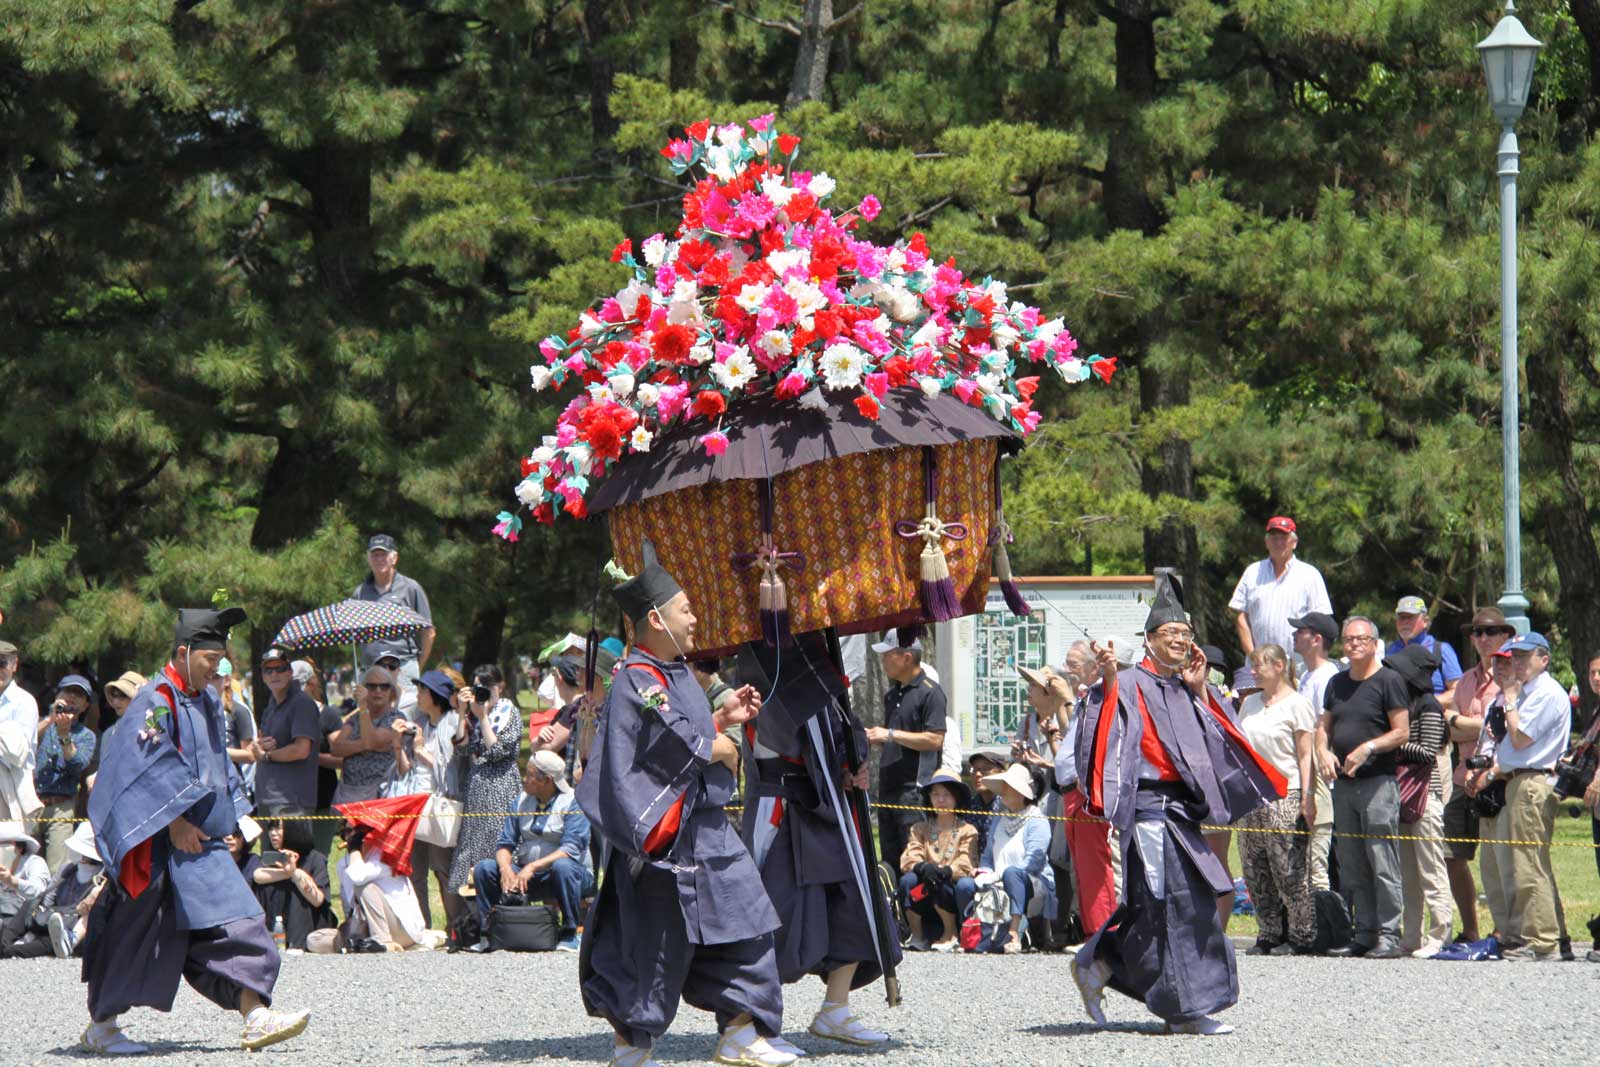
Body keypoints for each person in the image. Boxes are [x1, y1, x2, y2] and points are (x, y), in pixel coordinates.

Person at [578, 542, 792, 1067]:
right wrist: (713, 743)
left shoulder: (674, 672)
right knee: (652, 943)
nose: (695, 618)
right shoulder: (636, 678)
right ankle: (632, 1040)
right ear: (655, 618)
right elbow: (670, 741)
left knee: (746, 922)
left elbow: (687, 732)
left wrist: (723, 719)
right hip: (665, 832)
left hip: (708, 830)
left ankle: (741, 1030)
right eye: (686, 609)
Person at [80, 606, 309, 1054]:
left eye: (222, 660)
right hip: (160, 842)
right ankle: (101, 1026)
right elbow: (138, 767)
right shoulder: (155, 700)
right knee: (136, 933)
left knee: (236, 919)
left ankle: (256, 1016)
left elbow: (217, 766)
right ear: (184, 653)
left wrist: (235, 817)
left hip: (203, 844)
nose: (216, 669)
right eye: (209, 659)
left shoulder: (205, 699)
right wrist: (175, 822)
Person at [1071, 574, 1285, 1036]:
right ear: (1149, 640)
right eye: (1171, 635)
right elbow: (1102, 721)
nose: (1181, 642)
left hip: (1181, 811)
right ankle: (1183, 1010)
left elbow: (1217, 743)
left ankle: (1099, 960)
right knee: (1175, 904)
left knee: (1191, 898)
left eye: (1186, 636)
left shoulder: (1186, 686)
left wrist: (1201, 690)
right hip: (1149, 810)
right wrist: (1109, 678)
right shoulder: (1127, 681)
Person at [737, 632, 896, 1053]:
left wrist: (854, 761)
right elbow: (790, 735)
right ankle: (752, 1021)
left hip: (827, 805)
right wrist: (839, 758)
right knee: (772, 913)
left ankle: (835, 1009)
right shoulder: (761, 665)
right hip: (782, 804)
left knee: (851, 902)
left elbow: (843, 728)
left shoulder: (818, 672)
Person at [1315, 615, 1410, 959]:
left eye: (1361, 639)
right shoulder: (1336, 683)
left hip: (1378, 783)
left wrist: (1368, 747)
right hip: (1343, 785)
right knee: (1352, 862)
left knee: (1382, 860)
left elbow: (1402, 731)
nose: (1354, 644)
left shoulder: (1389, 680)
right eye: (1348, 639)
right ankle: (1364, 932)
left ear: (1373, 644)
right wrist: (1323, 752)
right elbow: (1322, 727)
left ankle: (1389, 933)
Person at [1471, 632, 1568, 961]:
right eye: (1517, 657)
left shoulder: (1545, 693)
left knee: (1528, 865)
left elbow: (1521, 738)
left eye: (1527, 657)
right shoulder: (1527, 692)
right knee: (1521, 864)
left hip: (1532, 782)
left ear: (1545, 659)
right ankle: (1543, 936)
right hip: (1517, 780)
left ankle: (1541, 941)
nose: (1520, 663)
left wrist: (1510, 698)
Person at [1234, 644, 1317, 955]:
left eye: (1259, 666)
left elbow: (1305, 754)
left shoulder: (1297, 704)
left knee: (1289, 868)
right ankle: (1269, 932)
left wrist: (1307, 796)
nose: (1253, 672)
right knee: (1255, 866)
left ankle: (1302, 935)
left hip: (1287, 791)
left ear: (1280, 666)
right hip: (1252, 796)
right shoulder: (1250, 704)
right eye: (1252, 666)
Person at [469, 751, 593, 953]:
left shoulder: (573, 803)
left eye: (530, 775)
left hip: (570, 874)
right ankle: (488, 934)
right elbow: (505, 843)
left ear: (547, 780)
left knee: (563, 867)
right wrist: (505, 868)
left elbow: (570, 850)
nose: (524, 779)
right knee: (484, 869)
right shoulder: (521, 801)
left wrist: (532, 866)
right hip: (528, 875)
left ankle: (570, 934)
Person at [1446, 608, 1512, 944]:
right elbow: (1450, 729)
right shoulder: (1466, 680)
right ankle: (1470, 929)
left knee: (1497, 857)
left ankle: (1503, 928)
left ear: (1505, 635)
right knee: (1452, 856)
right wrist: (1473, 725)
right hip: (1462, 776)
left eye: (1491, 632)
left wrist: (1462, 723)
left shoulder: (1510, 674)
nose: (1483, 639)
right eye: (1477, 633)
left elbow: (1503, 731)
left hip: (1496, 779)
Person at [1386, 644, 1453, 958]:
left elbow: (1428, 752)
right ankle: (1412, 935)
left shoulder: (1429, 705)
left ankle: (1440, 932)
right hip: (1407, 795)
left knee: (1431, 867)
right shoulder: (1407, 704)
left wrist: (1395, 746)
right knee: (1408, 873)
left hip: (1426, 794)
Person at [866, 628, 948, 873]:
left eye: (887, 655)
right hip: (888, 788)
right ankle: (893, 910)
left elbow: (935, 739)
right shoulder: (892, 694)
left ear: (906, 657)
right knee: (889, 860)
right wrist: (881, 738)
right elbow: (900, 738)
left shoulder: (930, 692)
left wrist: (890, 734)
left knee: (914, 860)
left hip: (914, 790)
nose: (883, 661)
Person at [444, 665, 523, 902]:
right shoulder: (474, 713)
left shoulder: (510, 712)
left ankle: (505, 898)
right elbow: (462, 748)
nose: (483, 694)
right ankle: (475, 906)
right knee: (473, 847)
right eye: (478, 688)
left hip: (502, 786)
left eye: (487, 688)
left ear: (500, 687)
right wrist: (461, 712)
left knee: (500, 841)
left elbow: (498, 750)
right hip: (477, 789)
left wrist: (484, 718)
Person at [393, 669, 463, 931]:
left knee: (443, 869)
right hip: (414, 803)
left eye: (422, 690)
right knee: (415, 872)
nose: (418, 695)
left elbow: (452, 772)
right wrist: (399, 744)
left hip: (441, 805)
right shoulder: (418, 722)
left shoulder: (453, 723)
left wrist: (421, 749)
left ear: (435, 696)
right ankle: (421, 927)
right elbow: (403, 770)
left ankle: (456, 926)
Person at [974, 762, 1056, 953]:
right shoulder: (998, 818)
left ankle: (1013, 933)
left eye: (1008, 787)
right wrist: (984, 872)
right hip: (997, 878)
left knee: (1013, 874)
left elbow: (1033, 862)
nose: (1002, 791)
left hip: (1032, 881)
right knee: (965, 885)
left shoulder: (1037, 819)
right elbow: (987, 856)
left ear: (1021, 792)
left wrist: (1000, 876)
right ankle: (973, 935)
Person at [312, 820, 427, 953]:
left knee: (363, 887)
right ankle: (361, 944)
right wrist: (348, 930)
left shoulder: (384, 856)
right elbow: (349, 903)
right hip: (366, 924)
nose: (350, 836)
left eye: (356, 832)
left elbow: (358, 877)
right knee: (315, 940)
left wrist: (355, 850)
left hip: (402, 927)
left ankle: (383, 941)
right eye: (347, 832)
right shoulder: (343, 864)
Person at [353, 533, 436, 713]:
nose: (379, 559)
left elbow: (428, 631)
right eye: (375, 554)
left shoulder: (410, 588)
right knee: (369, 722)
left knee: (407, 721)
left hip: (403, 668)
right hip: (370, 669)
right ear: (368, 558)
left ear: (394, 557)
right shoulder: (360, 592)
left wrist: (417, 664)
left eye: (384, 554)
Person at [1228, 516, 1333, 657]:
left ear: (1294, 542)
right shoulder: (1252, 572)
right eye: (1274, 537)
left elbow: (1321, 621)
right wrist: (1252, 655)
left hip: (1298, 665)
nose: (1278, 542)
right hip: (1259, 666)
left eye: (1284, 537)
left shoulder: (1310, 575)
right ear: (1266, 542)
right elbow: (1241, 616)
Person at [898, 772, 980, 951]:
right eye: (935, 794)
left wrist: (945, 871)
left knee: (939, 881)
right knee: (907, 882)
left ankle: (950, 934)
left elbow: (966, 862)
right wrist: (923, 867)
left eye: (946, 794)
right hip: (923, 886)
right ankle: (917, 935)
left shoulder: (967, 830)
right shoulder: (919, 828)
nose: (941, 799)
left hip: (949, 885)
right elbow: (910, 855)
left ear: (956, 798)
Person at [0, 821, 104, 960]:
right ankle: (3, 945)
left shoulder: (102, 877)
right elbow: (47, 895)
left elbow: (85, 909)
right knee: (30, 905)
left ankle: (9, 952)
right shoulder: (68, 869)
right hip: (52, 915)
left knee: (50, 942)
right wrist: (46, 913)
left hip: (71, 925)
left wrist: (11, 881)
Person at [1290, 611, 1340, 891]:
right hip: (1305, 771)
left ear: (1317, 639)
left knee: (1320, 862)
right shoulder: (1307, 675)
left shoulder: (1326, 676)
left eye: (1301, 631)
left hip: (1320, 777)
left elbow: (1323, 726)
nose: (1295, 635)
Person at [31, 674, 97, 871]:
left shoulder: (87, 736)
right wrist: (51, 720)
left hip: (62, 806)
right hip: (31, 801)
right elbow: (23, 741)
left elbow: (77, 765)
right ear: (57, 694)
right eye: (67, 691)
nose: (72, 697)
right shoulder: (41, 723)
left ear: (85, 705)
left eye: (79, 695)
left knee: (56, 867)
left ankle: (49, 903)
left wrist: (64, 735)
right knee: (20, 860)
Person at [246, 818, 335, 951]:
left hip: (311, 928)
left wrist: (295, 874)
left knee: (296, 888)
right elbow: (257, 876)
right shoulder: (272, 858)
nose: (273, 833)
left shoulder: (315, 858)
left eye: (279, 828)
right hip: (276, 924)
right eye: (271, 828)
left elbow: (318, 900)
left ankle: (297, 942)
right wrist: (287, 873)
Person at [252, 648, 320, 819]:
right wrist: (259, 746)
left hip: (291, 802)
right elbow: (263, 743)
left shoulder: (302, 703)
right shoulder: (271, 706)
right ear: (263, 676)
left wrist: (267, 755)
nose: (274, 674)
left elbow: (301, 749)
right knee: (268, 848)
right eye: (269, 670)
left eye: (280, 669)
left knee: (290, 847)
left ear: (289, 673)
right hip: (267, 798)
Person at [328, 664, 404, 805]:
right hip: (348, 795)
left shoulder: (396, 718)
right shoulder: (355, 718)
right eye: (372, 686)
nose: (378, 691)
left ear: (392, 692)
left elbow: (372, 741)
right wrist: (364, 744)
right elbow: (336, 748)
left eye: (384, 686)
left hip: (379, 797)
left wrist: (363, 708)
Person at [1386, 596, 1464, 707]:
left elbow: (1458, 691)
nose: (1405, 622)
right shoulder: (1388, 651)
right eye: (1402, 617)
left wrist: (1425, 703)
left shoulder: (1441, 650)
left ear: (1425, 622)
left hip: (1430, 718)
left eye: (1411, 617)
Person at [0, 642, 41, 821]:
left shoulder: (24, 702)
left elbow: (17, 752)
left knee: (7, 849)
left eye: (2, 664)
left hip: (10, 792)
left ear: (14, 665)